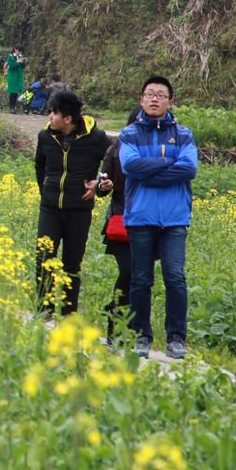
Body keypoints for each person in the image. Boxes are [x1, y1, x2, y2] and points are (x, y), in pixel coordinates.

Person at [120, 76, 198, 360]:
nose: (154, 99)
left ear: (170, 102)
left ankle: (176, 337)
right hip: (141, 216)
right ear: (141, 100)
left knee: (175, 277)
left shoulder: (184, 134)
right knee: (141, 278)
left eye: (160, 95)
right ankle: (142, 336)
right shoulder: (130, 134)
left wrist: (149, 171)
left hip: (175, 217)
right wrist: (168, 163)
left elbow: (189, 169)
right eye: (149, 94)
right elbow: (130, 165)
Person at [32, 90, 110, 316]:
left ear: (67, 118)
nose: (50, 117)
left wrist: (98, 185)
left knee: (72, 264)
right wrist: (45, 190)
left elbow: (112, 161)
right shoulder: (45, 136)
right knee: (44, 258)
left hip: (79, 211)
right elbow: (39, 166)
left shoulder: (95, 137)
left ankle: (68, 314)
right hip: (50, 209)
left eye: (54, 113)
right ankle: (44, 310)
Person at [95, 109, 142, 343]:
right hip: (121, 220)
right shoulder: (115, 149)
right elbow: (100, 189)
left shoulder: (157, 150)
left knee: (139, 277)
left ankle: (128, 327)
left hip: (148, 220)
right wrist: (103, 186)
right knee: (129, 273)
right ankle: (116, 325)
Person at [4, 46, 28, 113]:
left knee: (16, 92)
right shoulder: (10, 57)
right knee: (12, 92)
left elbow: (22, 67)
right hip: (12, 76)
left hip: (19, 76)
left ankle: (13, 107)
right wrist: (17, 62)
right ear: (15, 50)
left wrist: (24, 62)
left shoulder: (21, 56)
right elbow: (11, 66)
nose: (19, 52)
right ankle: (11, 108)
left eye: (20, 51)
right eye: (18, 51)